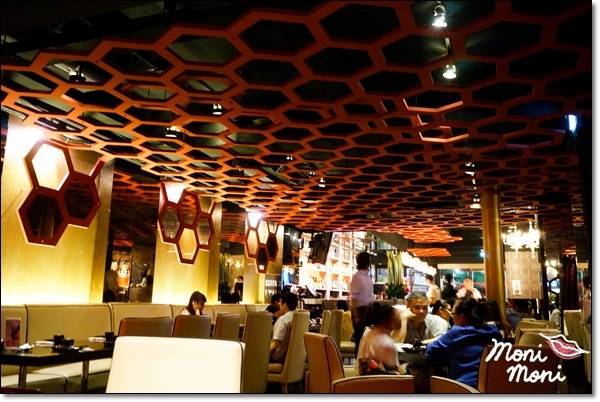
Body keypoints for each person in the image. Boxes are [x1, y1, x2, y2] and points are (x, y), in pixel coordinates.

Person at [425, 297, 503, 388]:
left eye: (453, 314)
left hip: (465, 387)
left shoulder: (457, 332)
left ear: (461, 317)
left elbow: (430, 351)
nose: (451, 317)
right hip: (494, 386)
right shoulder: (493, 331)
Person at [354, 301, 404, 376]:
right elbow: (395, 373)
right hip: (376, 382)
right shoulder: (386, 343)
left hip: (359, 378)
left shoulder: (368, 331)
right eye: (396, 316)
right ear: (385, 320)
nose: (400, 319)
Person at [350, 251, 374, 356]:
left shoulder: (368, 277)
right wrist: (356, 315)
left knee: (368, 338)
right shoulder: (357, 277)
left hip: (368, 310)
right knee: (359, 339)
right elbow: (353, 298)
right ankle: (358, 361)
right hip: (360, 310)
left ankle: (367, 360)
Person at [270, 292, 299, 362]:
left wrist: (263, 355)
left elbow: (275, 344)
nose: (279, 305)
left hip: (278, 358)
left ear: (285, 305)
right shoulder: (298, 317)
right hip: (292, 357)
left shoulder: (283, 319)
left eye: (280, 303)